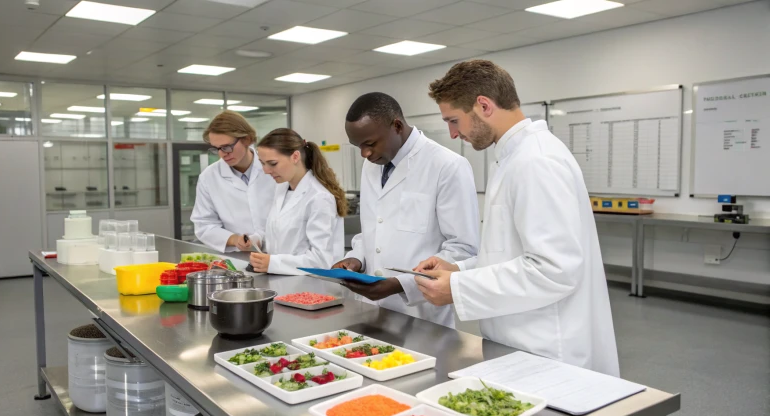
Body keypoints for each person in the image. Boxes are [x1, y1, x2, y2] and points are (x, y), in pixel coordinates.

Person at [413, 60, 620, 376]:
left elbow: (554, 269)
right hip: (518, 341)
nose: (453, 134)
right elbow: (511, 254)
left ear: (483, 105)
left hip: (547, 349)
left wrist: (459, 287)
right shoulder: (513, 158)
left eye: (454, 120)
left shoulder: (536, 161)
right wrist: (458, 268)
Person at [332, 92, 480, 327]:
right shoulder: (372, 165)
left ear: (397, 126)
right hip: (369, 310)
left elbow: (463, 249)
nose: (365, 154)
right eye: (358, 147)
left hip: (422, 314)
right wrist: (354, 259)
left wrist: (401, 284)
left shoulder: (447, 165)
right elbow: (372, 231)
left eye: (369, 144)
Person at [248, 128, 347, 275]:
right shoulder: (282, 189)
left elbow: (321, 261)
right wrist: (258, 240)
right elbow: (282, 235)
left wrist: (273, 263)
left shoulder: (319, 197)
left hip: (312, 286)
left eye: (273, 163)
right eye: (262, 163)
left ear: (295, 157)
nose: (266, 170)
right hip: (283, 281)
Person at [191, 111, 275, 253]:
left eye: (226, 147)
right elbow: (204, 225)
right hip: (239, 258)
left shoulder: (275, 167)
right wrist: (235, 239)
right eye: (217, 149)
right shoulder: (209, 177)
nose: (223, 154)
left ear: (247, 139)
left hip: (281, 254)